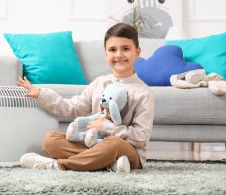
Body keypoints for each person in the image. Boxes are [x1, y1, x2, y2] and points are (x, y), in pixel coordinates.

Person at [17, 23, 154, 172]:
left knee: (114, 144)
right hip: (95, 145)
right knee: (51, 140)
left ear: (137, 52)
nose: (119, 54)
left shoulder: (144, 93)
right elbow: (72, 108)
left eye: (126, 49)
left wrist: (106, 127)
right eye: (112, 50)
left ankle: (57, 165)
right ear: (106, 54)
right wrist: (41, 94)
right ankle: (107, 164)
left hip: (127, 151)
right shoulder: (99, 83)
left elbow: (141, 138)